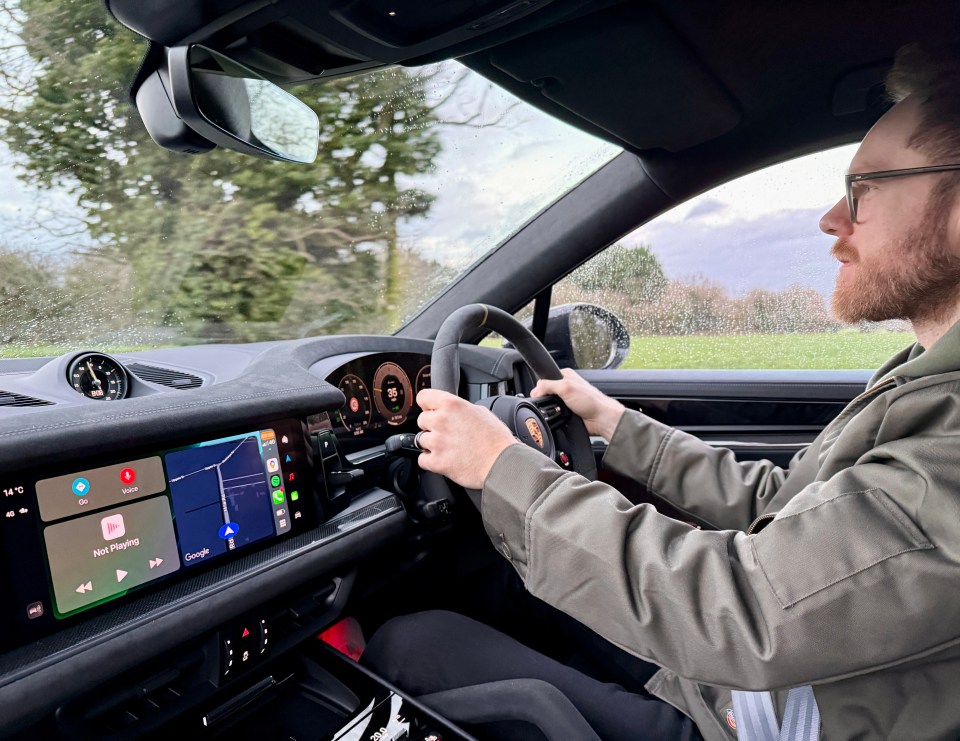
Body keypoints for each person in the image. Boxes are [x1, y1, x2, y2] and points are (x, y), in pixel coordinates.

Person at [362, 45, 960, 740]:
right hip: (779, 682)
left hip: (764, 714)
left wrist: (500, 467)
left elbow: (745, 609)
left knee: (413, 646)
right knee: (507, 584)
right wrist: (617, 424)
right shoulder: (926, 383)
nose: (833, 217)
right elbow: (782, 503)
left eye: (865, 188)